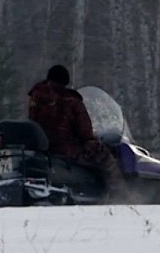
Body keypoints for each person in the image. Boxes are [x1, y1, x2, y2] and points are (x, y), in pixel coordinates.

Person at [27, 65, 129, 201]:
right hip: (66, 149)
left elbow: (32, 120)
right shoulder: (71, 100)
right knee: (104, 156)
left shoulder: (35, 97)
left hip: (44, 148)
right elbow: (84, 130)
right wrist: (91, 139)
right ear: (65, 81)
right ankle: (120, 196)